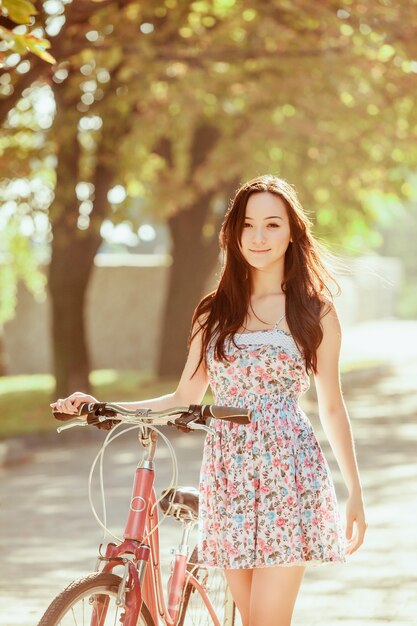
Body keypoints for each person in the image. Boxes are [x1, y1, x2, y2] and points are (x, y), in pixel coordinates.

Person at [51, 174, 368, 626]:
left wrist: (354, 491)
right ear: (233, 233)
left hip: (288, 473)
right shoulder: (212, 311)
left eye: (272, 225)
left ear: (293, 231)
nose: (258, 237)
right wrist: (101, 405)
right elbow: (184, 396)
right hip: (227, 475)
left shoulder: (314, 311)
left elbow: (332, 407)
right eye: (247, 225)